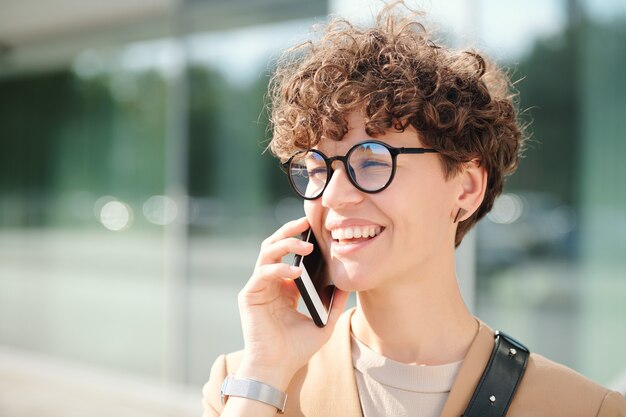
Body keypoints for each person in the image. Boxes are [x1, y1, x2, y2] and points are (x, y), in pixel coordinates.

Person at [202, 4, 626, 417]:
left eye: (371, 161)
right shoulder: (246, 384)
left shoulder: (586, 409)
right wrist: (265, 372)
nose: (332, 195)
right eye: (315, 168)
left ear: (467, 186)